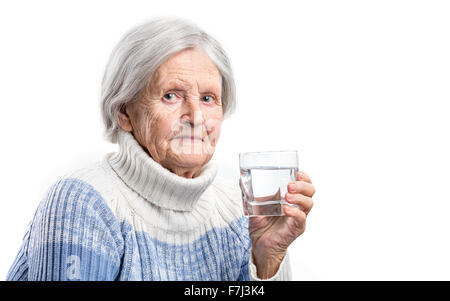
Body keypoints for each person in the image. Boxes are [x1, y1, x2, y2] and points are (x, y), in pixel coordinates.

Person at [7, 16, 315, 281]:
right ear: (124, 112)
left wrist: (266, 259)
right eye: (171, 95)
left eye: (208, 99)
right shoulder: (85, 202)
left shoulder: (238, 208)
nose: (195, 117)